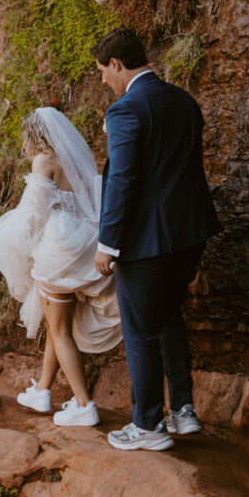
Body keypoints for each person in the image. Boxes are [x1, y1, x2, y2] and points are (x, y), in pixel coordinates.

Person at [91, 27, 221, 452]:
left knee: (141, 329)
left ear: (116, 64)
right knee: (168, 317)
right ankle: (183, 412)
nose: (103, 83)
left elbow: (124, 179)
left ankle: (148, 425)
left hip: (147, 241)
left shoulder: (126, 110)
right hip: (191, 233)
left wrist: (108, 244)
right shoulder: (184, 101)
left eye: (103, 73)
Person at [0, 107, 122, 427]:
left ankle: (84, 404)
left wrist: (19, 245)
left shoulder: (44, 160)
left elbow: (35, 216)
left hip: (57, 249)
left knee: (60, 330)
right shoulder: (75, 158)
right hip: (83, 242)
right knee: (56, 324)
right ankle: (42, 390)